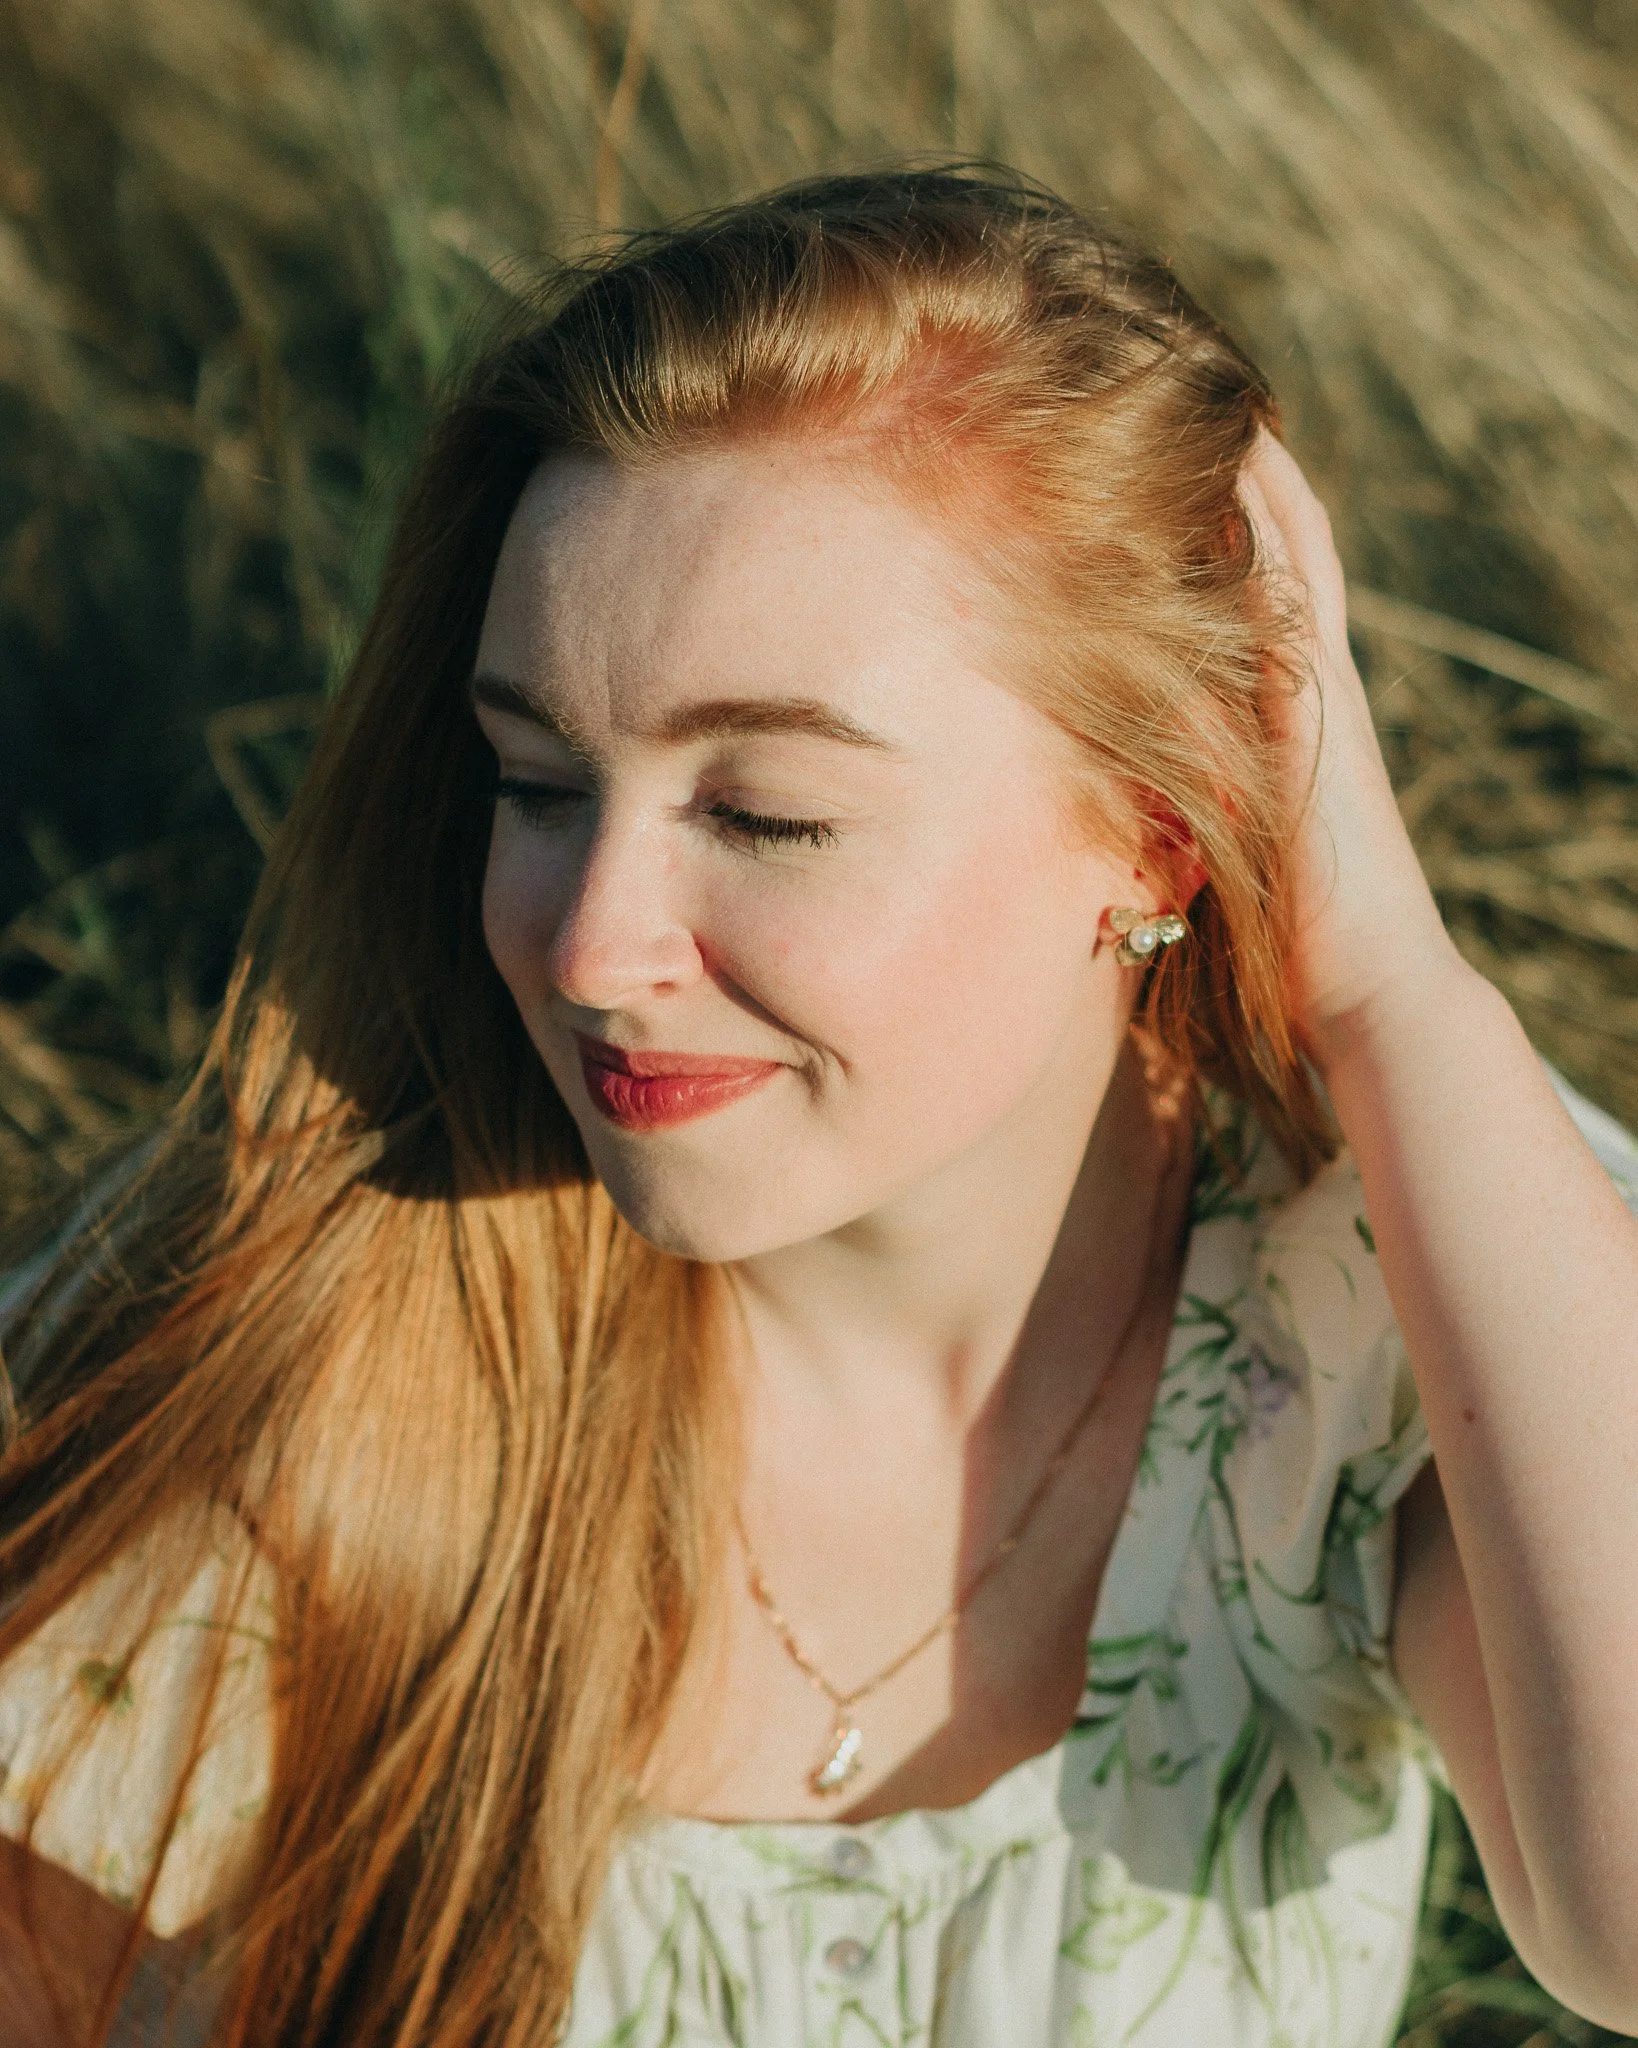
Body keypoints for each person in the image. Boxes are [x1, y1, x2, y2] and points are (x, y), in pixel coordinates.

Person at [2, 166, 1636, 2048]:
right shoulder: (290, 1329)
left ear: (1159, 830)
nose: (594, 945)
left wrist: (1388, 985)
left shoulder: (1396, 1264)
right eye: (536, 783)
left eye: (765, 813)